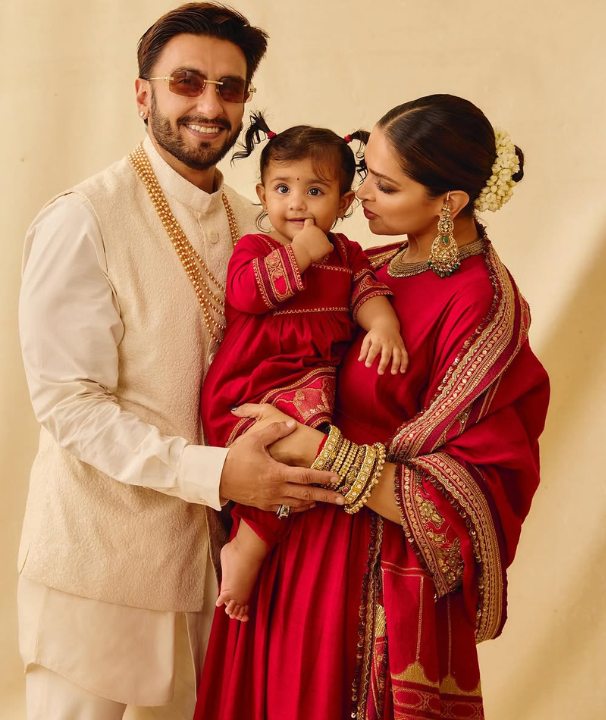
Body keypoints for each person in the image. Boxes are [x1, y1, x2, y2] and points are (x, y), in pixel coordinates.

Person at [16, 4, 346, 718]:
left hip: (215, 574)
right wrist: (220, 472)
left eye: (229, 89)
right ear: (144, 94)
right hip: (98, 568)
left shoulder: (255, 222)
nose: (208, 105)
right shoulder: (84, 219)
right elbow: (69, 405)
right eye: (186, 83)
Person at [194, 94, 550, 720]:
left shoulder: (484, 306)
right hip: (290, 530)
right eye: (365, 175)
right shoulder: (370, 263)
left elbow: (472, 490)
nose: (360, 198)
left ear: (450, 203)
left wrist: (320, 450)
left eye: (383, 186)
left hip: (364, 565)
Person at [201, 114, 409, 621]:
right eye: (283, 187)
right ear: (261, 194)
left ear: (342, 204)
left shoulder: (348, 254)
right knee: (286, 455)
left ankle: (251, 543)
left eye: (315, 190)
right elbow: (246, 295)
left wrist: (384, 328)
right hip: (253, 380)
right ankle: (246, 548)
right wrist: (297, 255)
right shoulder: (257, 247)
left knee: (304, 466)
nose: (297, 202)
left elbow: (368, 293)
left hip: (308, 382)